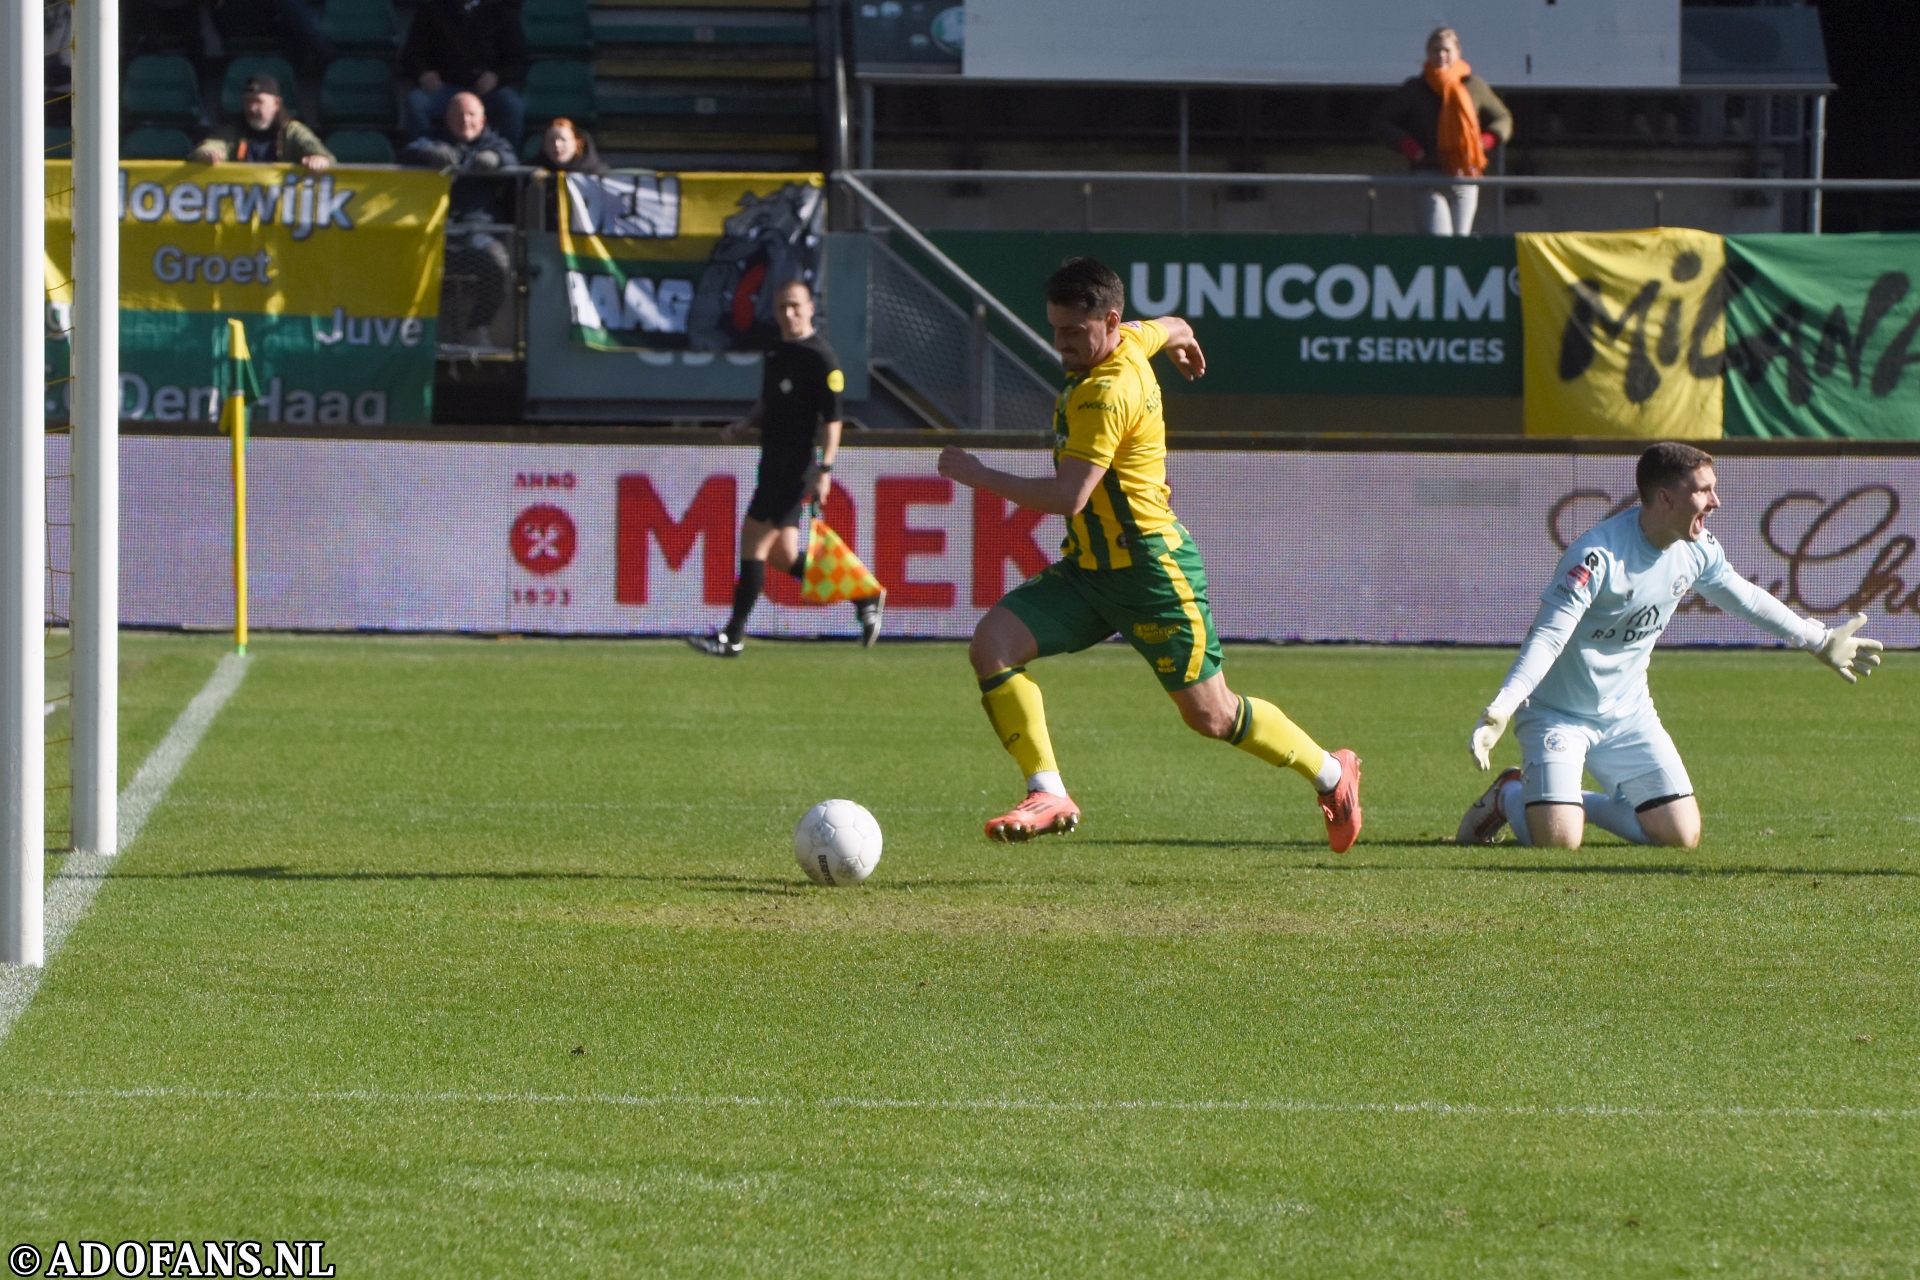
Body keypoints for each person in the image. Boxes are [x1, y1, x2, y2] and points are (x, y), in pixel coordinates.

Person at [935, 258, 1363, 848]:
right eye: (1055, 330)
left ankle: (1333, 774)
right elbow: (1173, 326)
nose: (1061, 344)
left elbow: (1068, 495)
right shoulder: (1129, 340)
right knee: (993, 646)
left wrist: (979, 475)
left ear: (1108, 321)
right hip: (1090, 571)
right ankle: (1048, 791)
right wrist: (1185, 341)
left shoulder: (1107, 393)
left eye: (1074, 333)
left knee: (1212, 716)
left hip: (1151, 573)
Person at [1457, 442, 1883, 851]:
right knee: (1558, 842)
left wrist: (1820, 640)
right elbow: (1548, 637)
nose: (1715, 500)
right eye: (1703, 490)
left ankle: (1561, 799)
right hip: (1558, 716)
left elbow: (1747, 598)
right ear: (1665, 498)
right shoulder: (1596, 557)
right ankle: (1511, 794)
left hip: (1628, 714)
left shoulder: (1696, 549)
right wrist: (1503, 706)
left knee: (1681, 835)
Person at [690, 279, 885, 656]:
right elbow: (769, 400)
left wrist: (824, 469)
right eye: (782, 306)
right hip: (772, 460)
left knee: (752, 540)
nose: (789, 313)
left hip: (794, 467)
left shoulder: (821, 357)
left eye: (795, 305)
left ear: (811, 308)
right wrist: (746, 424)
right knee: (781, 554)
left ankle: (733, 635)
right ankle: (863, 594)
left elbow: (832, 420)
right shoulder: (777, 350)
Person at [1373, 26, 1512, 236]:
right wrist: (1408, 146)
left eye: (1446, 50)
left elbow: (1504, 118)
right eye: (1435, 50)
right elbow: (1382, 120)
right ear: (1427, 54)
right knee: (1440, 240)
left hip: (1464, 173)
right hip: (1427, 174)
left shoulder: (1474, 85)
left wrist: (1485, 141)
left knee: (1460, 243)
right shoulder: (1415, 88)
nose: (1441, 55)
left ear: (1458, 52)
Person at [400, 0, 527, 145]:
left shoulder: (500, 11)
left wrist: (496, 77)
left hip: (486, 91)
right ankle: (425, 151)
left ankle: (503, 155)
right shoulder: (432, 9)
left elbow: (517, 60)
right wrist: (423, 73)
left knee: (512, 105)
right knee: (416, 102)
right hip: (444, 88)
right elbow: (411, 54)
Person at [190, 73, 334, 171]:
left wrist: (319, 160)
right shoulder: (233, 129)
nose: (252, 108)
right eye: (248, 101)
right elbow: (212, 145)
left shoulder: (292, 131)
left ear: (276, 103)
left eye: (258, 102)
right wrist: (207, 154)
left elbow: (327, 158)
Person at [399, 90, 514, 173]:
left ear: (482, 121)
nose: (465, 119)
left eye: (471, 114)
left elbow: (511, 158)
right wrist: (428, 153)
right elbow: (409, 151)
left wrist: (496, 157)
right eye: (459, 114)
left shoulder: (494, 143)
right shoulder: (435, 139)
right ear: (448, 119)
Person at [537, 118, 608, 175]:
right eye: (551, 140)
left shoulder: (599, 174)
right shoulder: (533, 173)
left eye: (563, 139)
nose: (557, 144)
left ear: (577, 143)